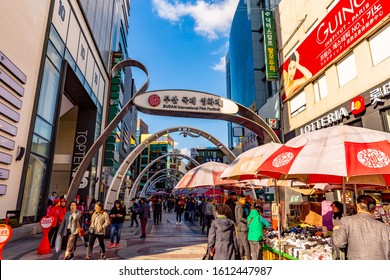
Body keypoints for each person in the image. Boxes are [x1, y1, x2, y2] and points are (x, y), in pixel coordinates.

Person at [332, 195, 390, 260]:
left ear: (357, 207)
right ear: (374, 209)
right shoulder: (385, 228)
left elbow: (339, 243)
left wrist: (336, 229)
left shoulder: (346, 221)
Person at [235, 194, 251, 260]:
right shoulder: (240, 207)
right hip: (243, 228)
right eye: (244, 199)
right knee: (246, 245)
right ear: (240, 199)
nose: (245, 200)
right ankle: (249, 259)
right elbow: (240, 218)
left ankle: (241, 258)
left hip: (240, 228)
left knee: (241, 245)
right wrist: (248, 221)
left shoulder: (238, 206)